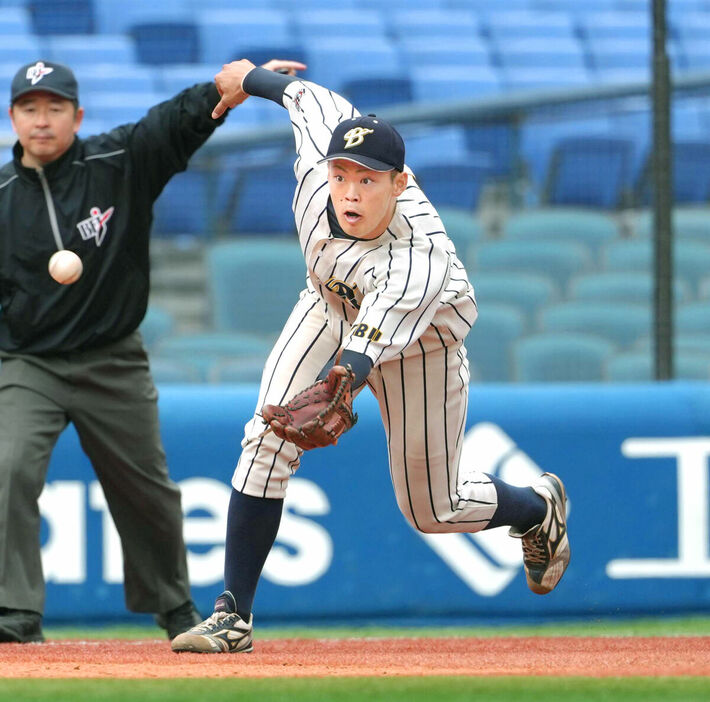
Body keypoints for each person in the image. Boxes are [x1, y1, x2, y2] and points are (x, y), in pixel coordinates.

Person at [171, 60, 571, 654]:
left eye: (369, 179)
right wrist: (249, 78)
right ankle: (233, 615)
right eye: (343, 174)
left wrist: (339, 388)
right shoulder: (316, 172)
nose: (350, 190)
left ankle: (537, 509)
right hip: (330, 307)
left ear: (400, 183)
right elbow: (304, 98)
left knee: (434, 509)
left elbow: (368, 347)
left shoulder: (420, 255)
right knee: (265, 437)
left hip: (420, 349)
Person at [0, 58, 304, 644]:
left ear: (77, 116)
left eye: (55, 107)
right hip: (28, 362)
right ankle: (14, 613)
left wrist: (227, 88)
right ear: (13, 117)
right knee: (6, 468)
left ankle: (175, 611)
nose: (42, 120)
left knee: (147, 490)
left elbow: (171, 124)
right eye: (30, 109)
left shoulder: (117, 161)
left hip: (112, 358)